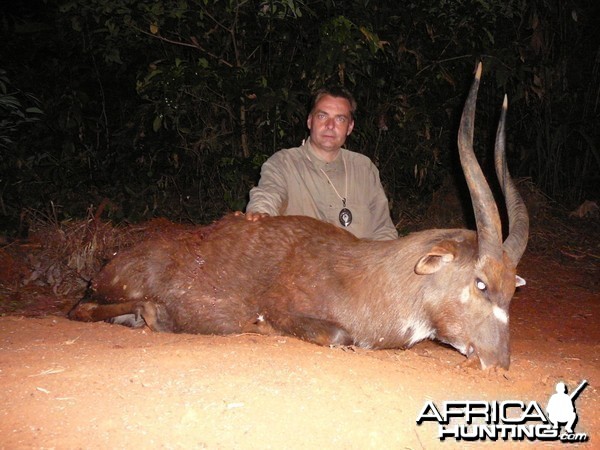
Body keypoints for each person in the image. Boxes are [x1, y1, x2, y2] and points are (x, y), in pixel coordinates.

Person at [244, 86, 398, 241]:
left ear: (350, 127)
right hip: (301, 262)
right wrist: (260, 213)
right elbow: (268, 194)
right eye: (322, 116)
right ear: (310, 121)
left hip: (359, 262)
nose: (330, 126)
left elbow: (384, 229)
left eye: (340, 119)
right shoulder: (284, 163)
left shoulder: (364, 168)